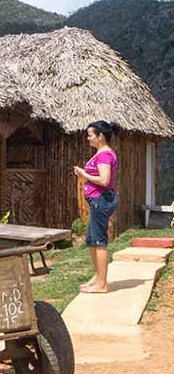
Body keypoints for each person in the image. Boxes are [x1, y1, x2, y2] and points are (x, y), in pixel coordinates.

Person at [73, 121, 119, 294]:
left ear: (100, 136)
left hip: (101, 200)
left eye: (90, 135)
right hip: (97, 201)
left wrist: (84, 174)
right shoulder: (100, 153)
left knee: (99, 241)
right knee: (92, 240)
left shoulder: (104, 155)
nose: (88, 138)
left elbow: (104, 180)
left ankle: (102, 284)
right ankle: (98, 276)